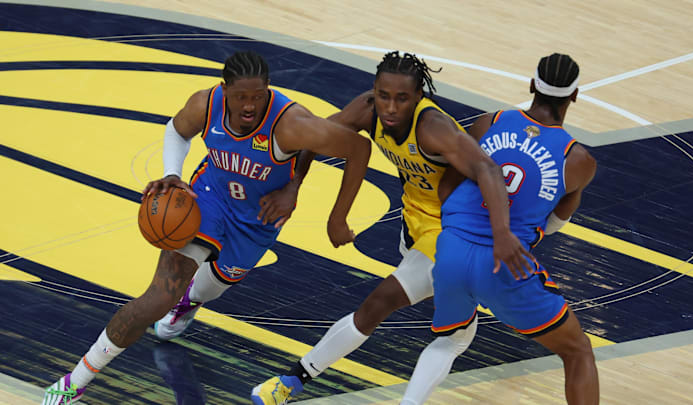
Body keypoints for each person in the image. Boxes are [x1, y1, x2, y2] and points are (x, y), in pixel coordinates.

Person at [42, 50, 371, 404]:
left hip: (259, 216)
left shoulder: (290, 124)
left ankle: (192, 299)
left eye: (258, 96)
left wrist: (316, 204)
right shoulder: (205, 104)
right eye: (241, 97)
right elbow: (176, 130)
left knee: (213, 287)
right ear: (224, 89)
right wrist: (173, 174)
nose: (249, 106)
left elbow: (358, 148)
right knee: (157, 297)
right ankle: (73, 383)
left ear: (268, 90)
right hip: (208, 198)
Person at [251, 51, 534, 405]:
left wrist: (502, 234)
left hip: (453, 230)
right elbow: (313, 138)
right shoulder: (367, 109)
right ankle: (481, 291)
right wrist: (294, 186)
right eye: (384, 95)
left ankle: (291, 381)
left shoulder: (433, 128)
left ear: (419, 97)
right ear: (373, 91)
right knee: (459, 330)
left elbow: (489, 171)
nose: (390, 107)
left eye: (402, 98)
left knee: (380, 303)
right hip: (414, 220)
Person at [398, 53, 599, 405]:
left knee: (451, 340)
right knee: (578, 350)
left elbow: (447, 187)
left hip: (451, 251)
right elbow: (553, 226)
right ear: (575, 95)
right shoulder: (578, 160)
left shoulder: (488, 123)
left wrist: (460, 228)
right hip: (503, 263)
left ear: (532, 85)